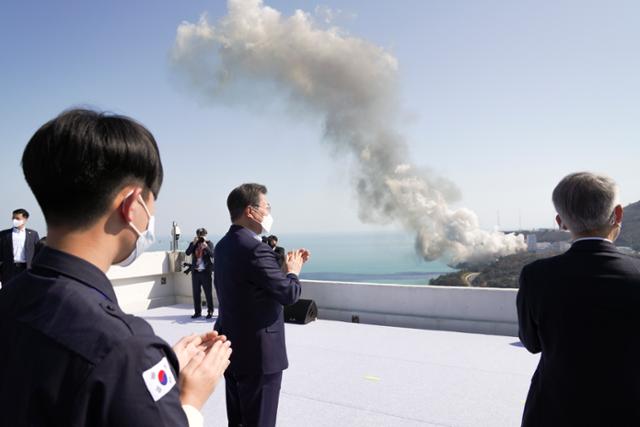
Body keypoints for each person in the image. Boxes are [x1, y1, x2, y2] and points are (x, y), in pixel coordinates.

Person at [0, 109, 232, 427]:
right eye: (153, 200)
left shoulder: (12, 296)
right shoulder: (125, 345)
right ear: (132, 204)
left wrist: (156, 366)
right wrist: (189, 402)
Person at [517, 171, 640, 426]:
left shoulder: (535, 276)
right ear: (617, 214)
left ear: (561, 221)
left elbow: (531, 343)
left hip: (553, 410)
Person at [214, 183, 310, 427]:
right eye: (267, 207)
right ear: (251, 211)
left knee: (237, 421)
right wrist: (293, 272)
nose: (269, 212)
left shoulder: (223, 246)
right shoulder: (256, 250)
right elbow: (289, 294)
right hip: (260, 357)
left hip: (232, 350)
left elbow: (250, 287)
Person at [0, 208, 40, 285]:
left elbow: (37, 252)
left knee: (26, 292)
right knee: (9, 292)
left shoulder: (33, 234)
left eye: (17, 218)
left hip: (26, 269)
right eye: (13, 218)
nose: (15, 220)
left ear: (25, 219)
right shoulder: (4, 234)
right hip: (9, 269)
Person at [185, 228, 214, 319]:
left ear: (206, 235)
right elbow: (187, 252)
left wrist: (206, 247)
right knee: (196, 293)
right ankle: (197, 312)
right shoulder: (193, 244)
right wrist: (193, 244)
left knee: (208, 293)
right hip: (195, 272)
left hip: (205, 272)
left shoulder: (209, 244)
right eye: (199, 235)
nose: (200, 237)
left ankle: (210, 311)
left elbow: (213, 255)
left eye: (202, 235)